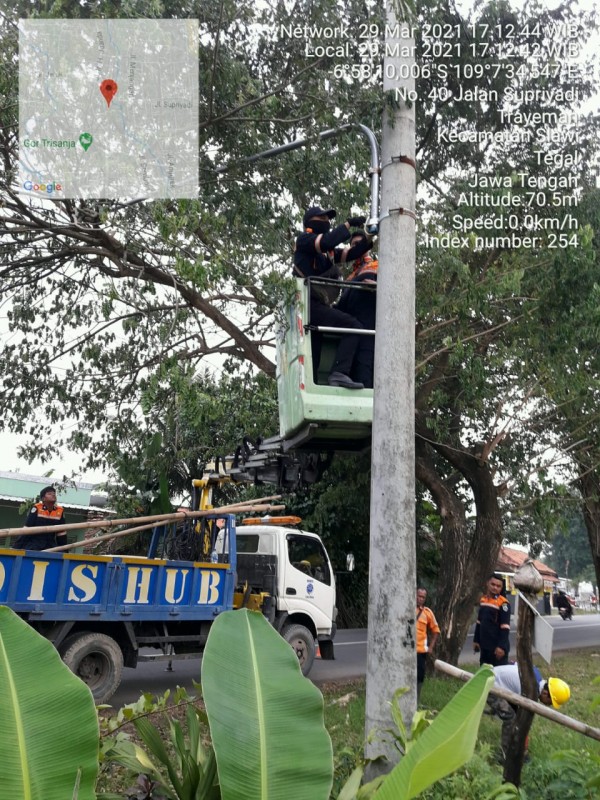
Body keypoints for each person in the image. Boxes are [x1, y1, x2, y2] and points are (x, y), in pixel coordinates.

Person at [294, 205, 373, 389]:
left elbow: (351, 253)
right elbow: (327, 241)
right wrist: (348, 224)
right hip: (307, 303)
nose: (327, 222)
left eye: (327, 219)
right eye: (322, 219)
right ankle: (339, 372)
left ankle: (315, 385)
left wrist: (369, 236)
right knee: (353, 326)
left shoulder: (326, 254)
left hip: (317, 306)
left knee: (316, 347)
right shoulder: (304, 240)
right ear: (310, 223)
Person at [489, 663, 570, 762]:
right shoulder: (530, 691)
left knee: (514, 714)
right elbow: (522, 720)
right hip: (490, 685)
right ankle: (505, 755)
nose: (549, 705)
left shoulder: (536, 676)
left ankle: (515, 749)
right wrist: (524, 748)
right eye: (550, 702)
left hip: (496, 678)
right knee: (510, 718)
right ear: (545, 693)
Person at [336, 230, 377, 388]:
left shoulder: (378, 267)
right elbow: (343, 305)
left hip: (369, 331)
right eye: (353, 245)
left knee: (364, 373)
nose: (357, 247)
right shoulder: (350, 277)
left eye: (360, 244)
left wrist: (378, 287)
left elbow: (394, 295)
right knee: (351, 377)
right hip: (350, 333)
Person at [13, 486, 67, 551]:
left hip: (50, 546)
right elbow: (27, 529)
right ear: (43, 498)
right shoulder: (37, 508)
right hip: (34, 544)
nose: (53, 495)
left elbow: (61, 534)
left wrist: (65, 551)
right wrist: (16, 547)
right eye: (49, 494)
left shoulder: (59, 511)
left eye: (54, 493)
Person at [473, 574, 511, 667]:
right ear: (487, 583)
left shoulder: (504, 603)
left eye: (498, 586)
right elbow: (479, 622)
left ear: (501, 588)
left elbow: (505, 627)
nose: (495, 588)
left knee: (498, 673)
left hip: (497, 649)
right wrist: (476, 640)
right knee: (484, 672)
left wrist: (501, 647)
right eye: (493, 584)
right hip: (485, 646)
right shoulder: (483, 600)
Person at [416, 587, 440, 703]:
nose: (420, 599)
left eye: (423, 597)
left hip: (420, 651)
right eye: (418, 596)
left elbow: (436, 631)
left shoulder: (427, 613)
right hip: (406, 650)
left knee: (419, 676)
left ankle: (416, 700)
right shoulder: (406, 609)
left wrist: (430, 647)